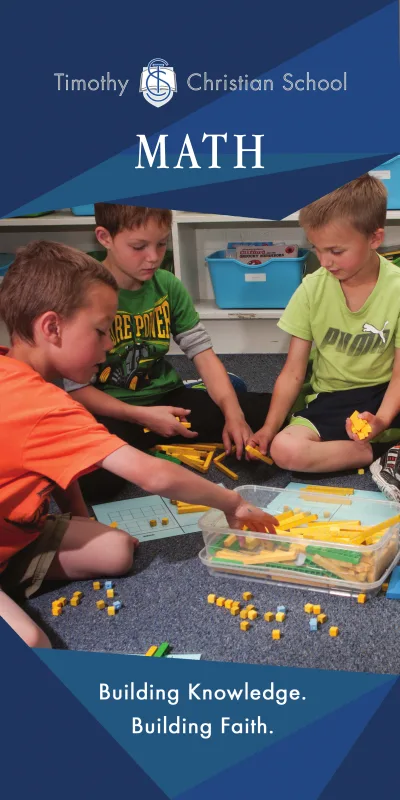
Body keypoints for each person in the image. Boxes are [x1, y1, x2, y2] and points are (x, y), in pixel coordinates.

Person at [0, 241, 277, 649]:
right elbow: (152, 473)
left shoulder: (24, 373)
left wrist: (81, 518)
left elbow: (56, 464)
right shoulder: (41, 404)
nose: (110, 344)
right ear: (52, 327)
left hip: (18, 530)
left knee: (115, 552)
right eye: (100, 331)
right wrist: (231, 503)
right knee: (30, 643)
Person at [63, 204, 271, 500]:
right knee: (92, 485)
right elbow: (74, 389)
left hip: (167, 399)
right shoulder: (81, 291)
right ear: (104, 237)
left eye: (161, 244)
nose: (153, 257)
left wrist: (233, 413)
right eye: (138, 246)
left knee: (266, 414)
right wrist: (141, 416)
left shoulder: (168, 286)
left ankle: (162, 426)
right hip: (111, 409)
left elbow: (203, 355)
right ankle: (149, 435)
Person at [248, 174, 400, 473]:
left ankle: (382, 440)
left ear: (374, 238)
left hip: (388, 393)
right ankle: (375, 452)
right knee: (284, 449)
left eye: (336, 251)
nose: (325, 261)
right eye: (317, 248)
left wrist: (381, 419)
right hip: (334, 398)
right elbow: (293, 372)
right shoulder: (311, 288)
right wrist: (268, 428)